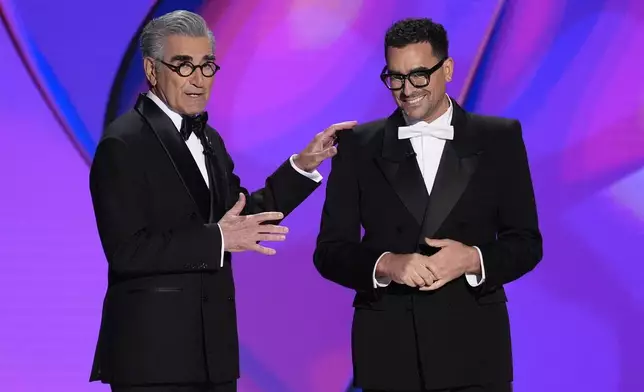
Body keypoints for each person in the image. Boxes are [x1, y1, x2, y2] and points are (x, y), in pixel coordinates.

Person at [88, 10, 355, 392]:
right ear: (151, 71)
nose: (198, 80)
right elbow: (128, 250)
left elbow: (239, 216)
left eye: (207, 65)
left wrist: (303, 164)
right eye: (183, 66)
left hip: (213, 355)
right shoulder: (123, 143)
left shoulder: (210, 139)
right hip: (152, 359)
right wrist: (219, 240)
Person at [314, 17, 542, 392]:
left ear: (447, 69)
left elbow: (527, 243)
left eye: (419, 75)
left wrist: (473, 259)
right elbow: (329, 252)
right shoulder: (357, 146)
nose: (407, 90)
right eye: (396, 77)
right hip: (388, 351)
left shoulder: (499, 138)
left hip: (475, 352)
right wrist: (386, 264)